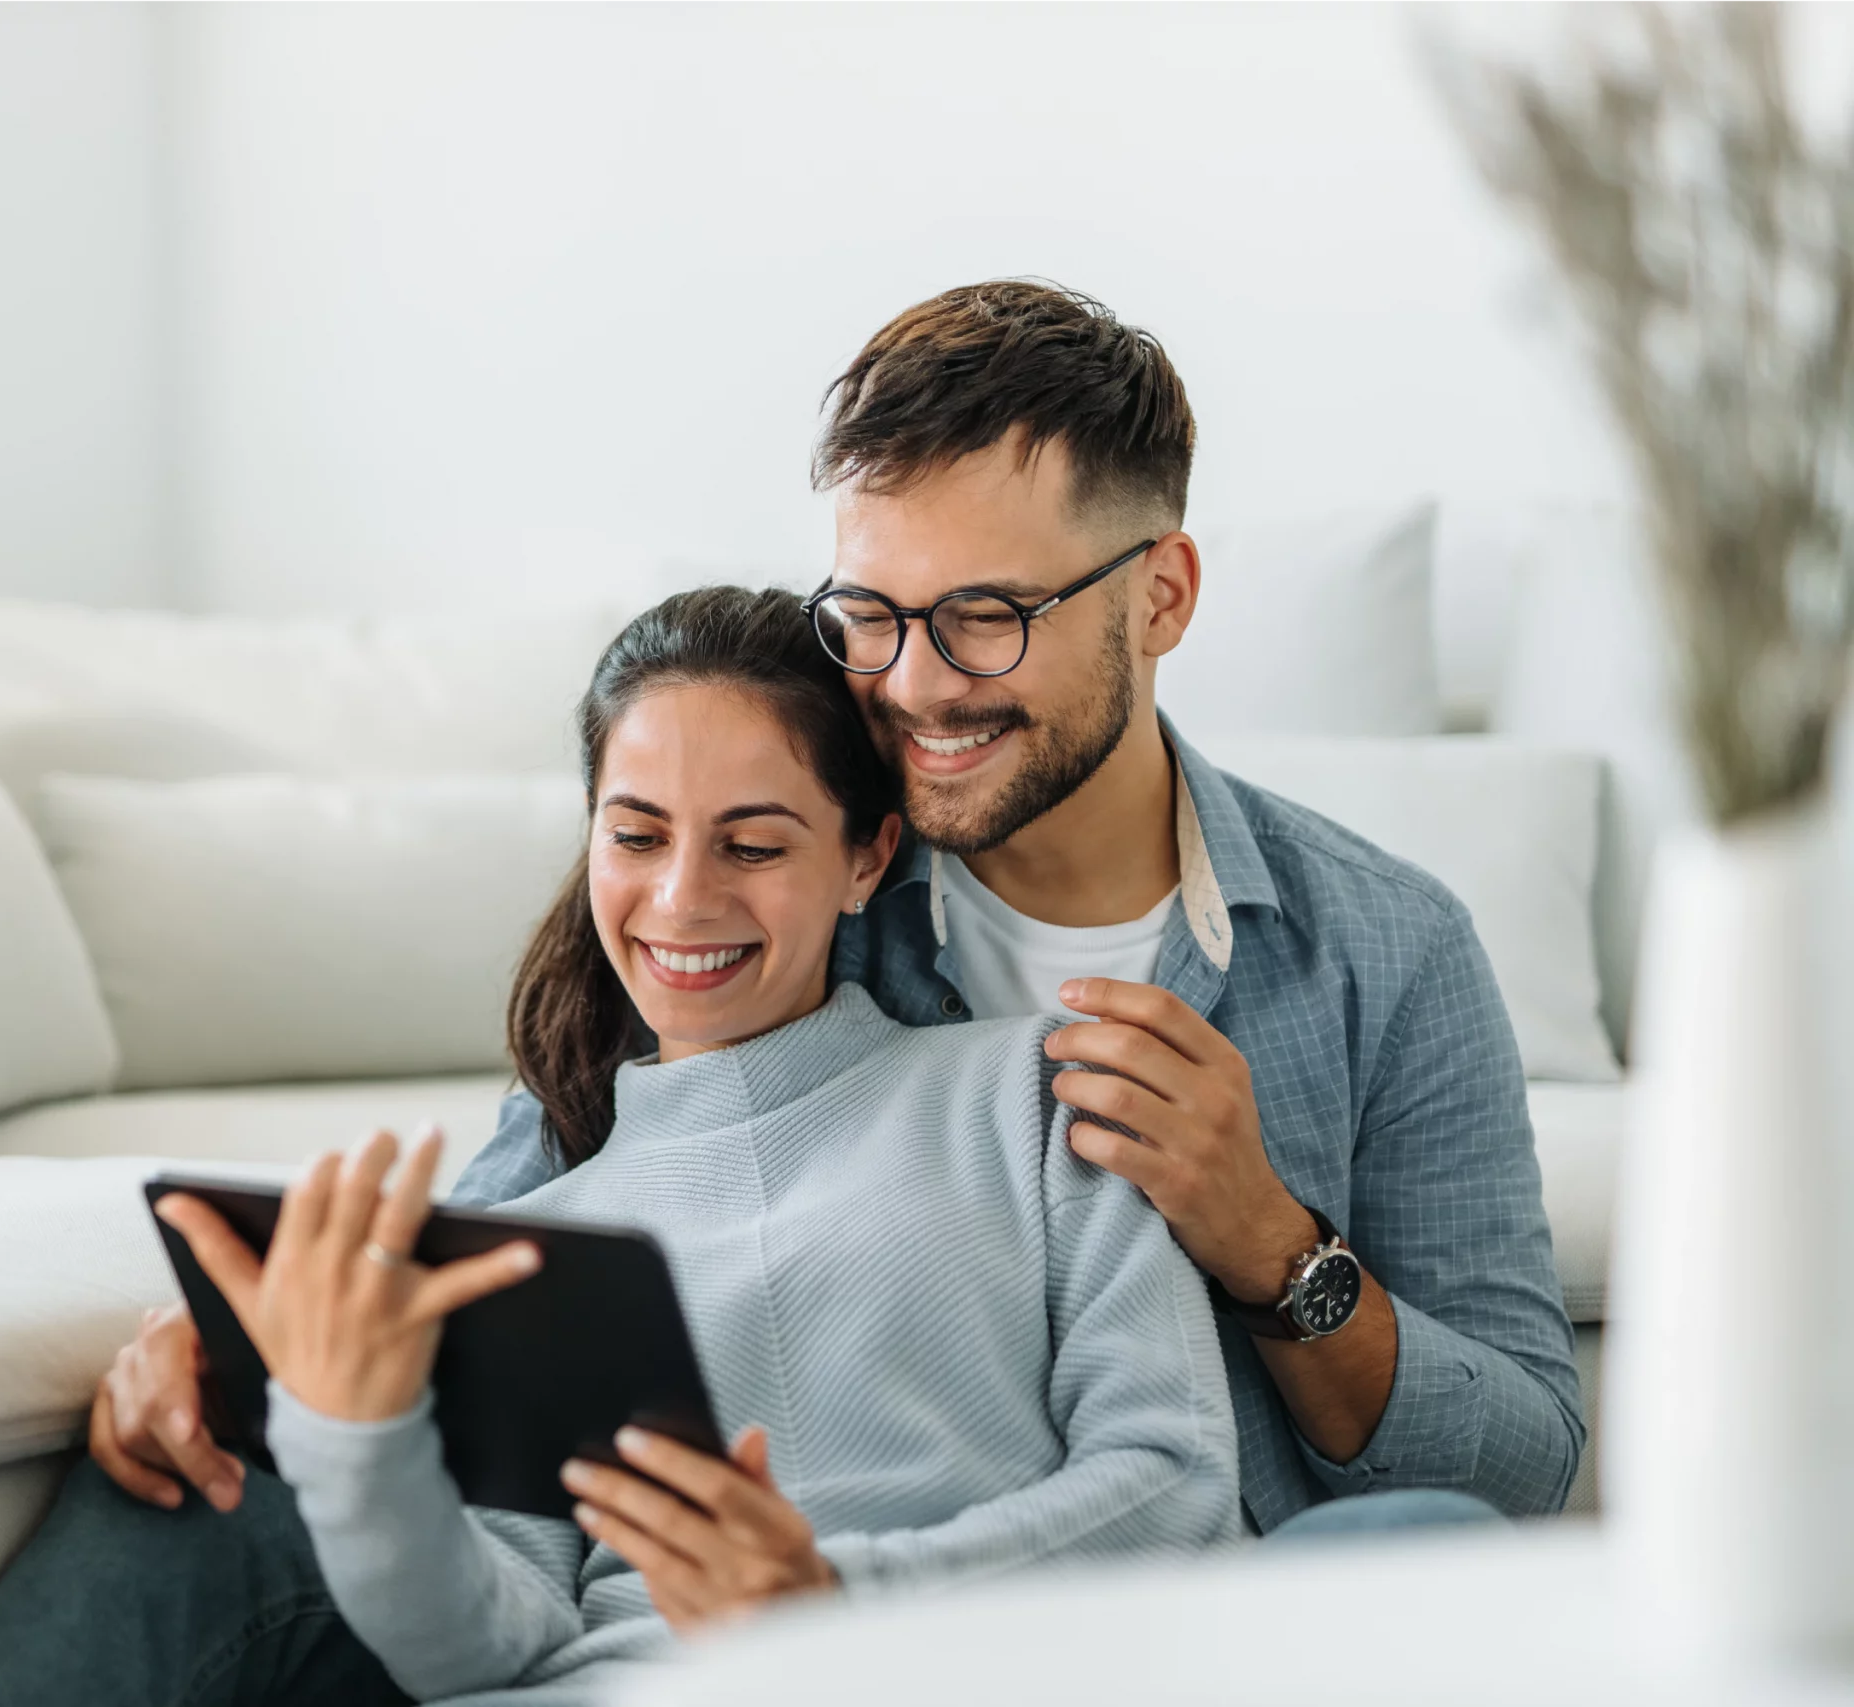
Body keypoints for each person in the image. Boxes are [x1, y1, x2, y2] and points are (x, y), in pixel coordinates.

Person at [95, 280, 1584, 1543]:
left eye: (988, 615)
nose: (915, 685)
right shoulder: (769, 877)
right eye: (870, 613)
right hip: (774, 1585)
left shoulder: (1386, 952)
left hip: (1157, 1603)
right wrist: (243, 1343)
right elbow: (513, 1231)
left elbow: (1516, 1463)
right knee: (182, 1511)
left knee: (1432, 1540)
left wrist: (1272, 1243)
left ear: (1163, 597)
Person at [0, 587, 1242, 1706]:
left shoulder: (1034, 1095)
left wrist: (828, 1602)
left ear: (869, 852)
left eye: (754, 844)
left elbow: (1177, 1482)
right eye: (636, 834)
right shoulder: (555, 1219)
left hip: (939, 1676)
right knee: (183, 1489)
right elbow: (492, 1645)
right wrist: (352, 1432)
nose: (681, 899)